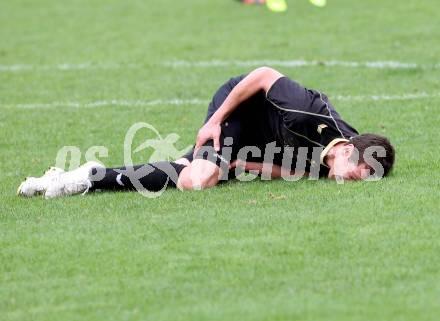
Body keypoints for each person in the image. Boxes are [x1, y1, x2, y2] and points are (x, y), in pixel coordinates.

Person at [17, 67, 395, 199]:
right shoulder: (305, 113)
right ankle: (88, 176)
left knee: (191, 169)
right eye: (354, 175)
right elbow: (262, 75)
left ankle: (85, 176)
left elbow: (294, 169)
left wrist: (243, 164)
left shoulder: (334, 160)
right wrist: (216, 121)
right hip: (240, 110)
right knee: (197, 180)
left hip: (260, 141)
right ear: (349, 152)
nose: (347, 182)